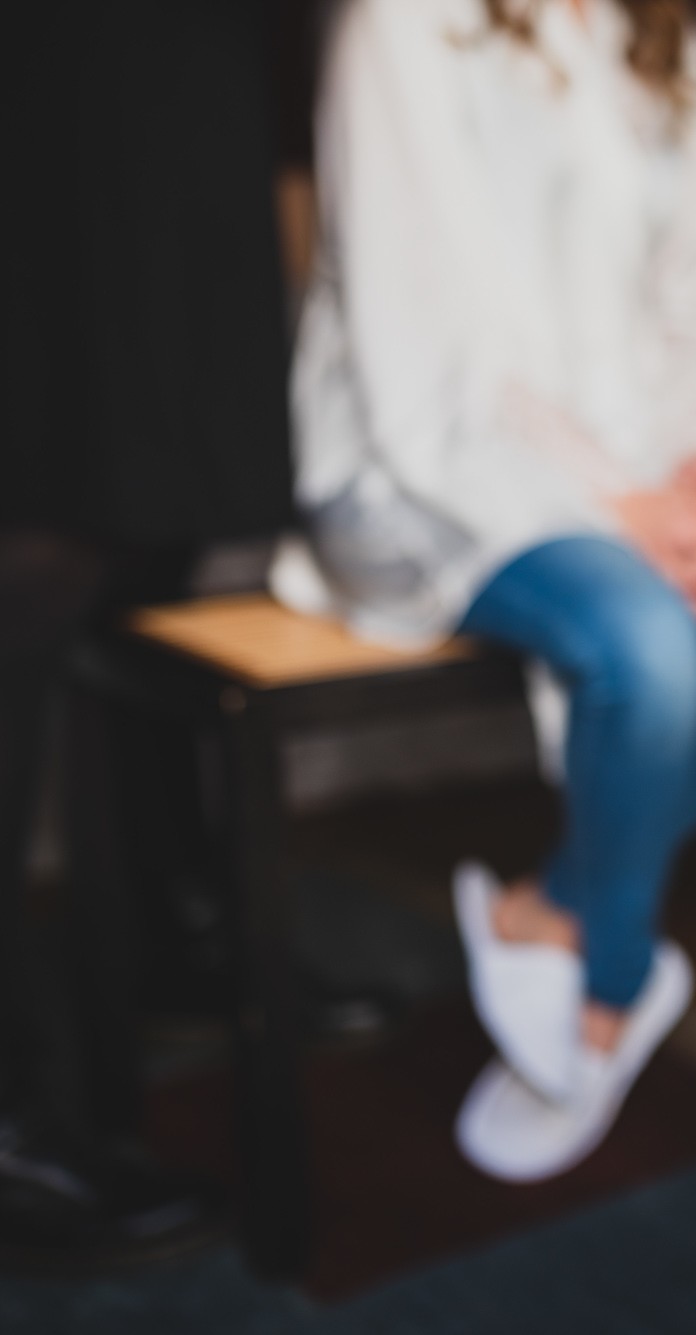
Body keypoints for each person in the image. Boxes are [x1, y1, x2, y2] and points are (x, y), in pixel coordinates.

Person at [281, 0, 696, 1181]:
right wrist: (623, 505)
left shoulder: (669, 40)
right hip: (427, 460)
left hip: (646, 460)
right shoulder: (403, 26)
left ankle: (554, 904)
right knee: (644, 642)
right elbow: (428, 341)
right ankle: (612, 991)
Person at [0, 0, 293, 1268]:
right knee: (36, 544)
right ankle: (12, 1117)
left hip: (182, 77)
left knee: (144, 542)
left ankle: (172, 941)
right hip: (62, 79)